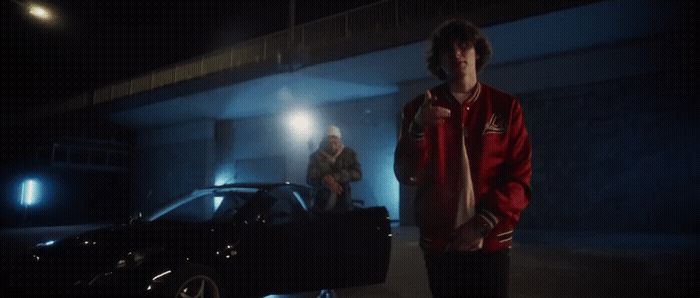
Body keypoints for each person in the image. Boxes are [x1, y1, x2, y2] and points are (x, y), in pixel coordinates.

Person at [394, 19, 532, 298]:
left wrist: (481, 224)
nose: (456, 54)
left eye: (463, 46)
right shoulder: (418, 109)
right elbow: (406, 174)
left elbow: (520, 177)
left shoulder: (505, 107)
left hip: (491, 240)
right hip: (440, 244)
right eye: (448, 49)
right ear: (439, 61)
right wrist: (418, 129)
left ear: (477, 52)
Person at [307, 125, 362, 212]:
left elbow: (358, 174)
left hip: (344, 205)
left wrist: (335, 177)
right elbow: (310, 179)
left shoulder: (349, 154)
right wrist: (324, 180)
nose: (332, 140)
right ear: (325, 139)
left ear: (339, 139)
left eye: (335, 137)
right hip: (322, 206)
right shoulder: (316, 157)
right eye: (329, 137)